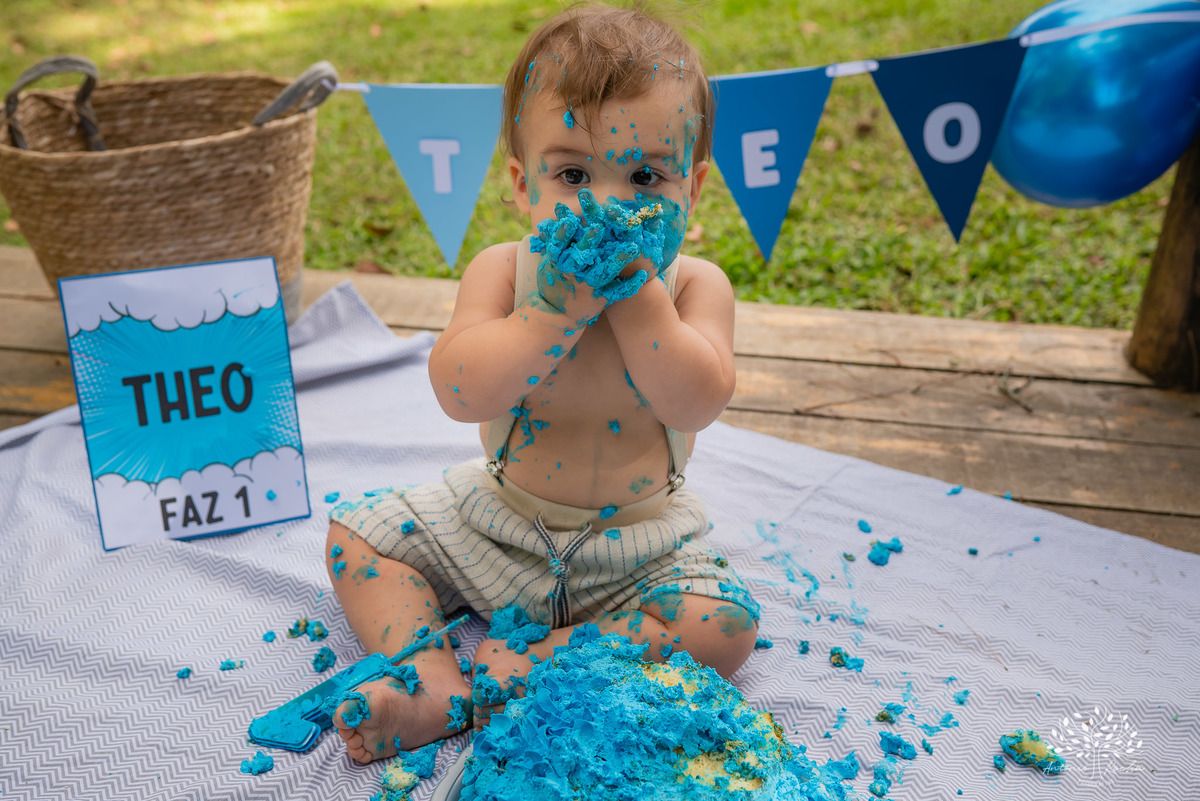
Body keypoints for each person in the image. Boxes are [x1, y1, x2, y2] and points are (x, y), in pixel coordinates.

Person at [324, 1, 758, 765]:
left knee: (722, 623)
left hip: (634, 546)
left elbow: (696, 400)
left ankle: (548, 657)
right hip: (498, 519)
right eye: (573, 173)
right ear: (525, 187)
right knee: (356, 541)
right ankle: (431, 676)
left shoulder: (696, 288)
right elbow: (461, 391)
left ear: (692, 189)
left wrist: (642, 303)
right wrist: (547, 315)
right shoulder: (506, 269)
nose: (609, 206)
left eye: (646, 177)